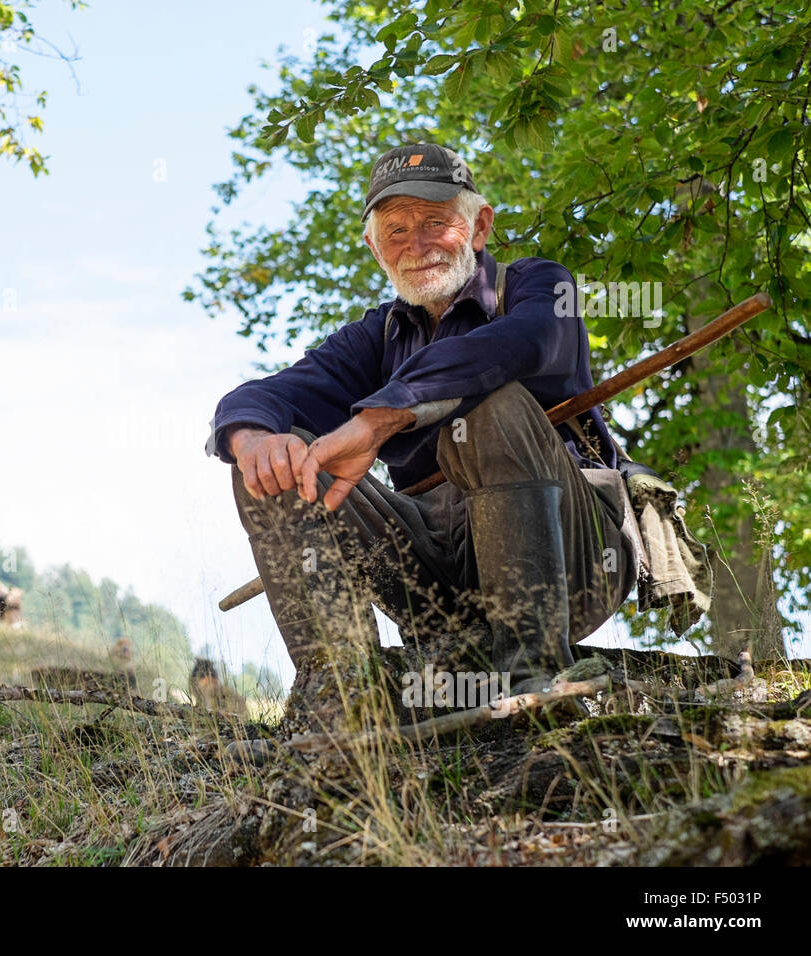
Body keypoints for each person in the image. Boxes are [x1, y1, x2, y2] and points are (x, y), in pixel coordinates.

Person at [205, 142, 636, 733]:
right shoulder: (377, 336)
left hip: (572, 562)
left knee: (492, 404)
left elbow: (524, 345)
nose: (417, 244)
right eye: (397, 230)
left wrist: (384, 414)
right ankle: (343, 699)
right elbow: (269, 394)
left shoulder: (537, 286)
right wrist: (250, 436)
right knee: (274, 467)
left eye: (437, 222)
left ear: (480, 225)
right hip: (440, 585)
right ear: (374, 248)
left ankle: (533, 679)